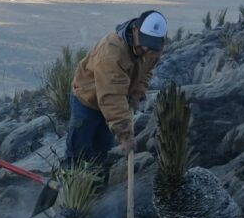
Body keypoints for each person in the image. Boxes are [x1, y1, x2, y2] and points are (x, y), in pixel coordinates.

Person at [65, 10, 167, 178]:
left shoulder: (153, 47)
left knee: (102, 148)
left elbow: (146, 72)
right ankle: (69, 190)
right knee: (79, 149)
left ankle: (94, 186)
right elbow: (111, 96)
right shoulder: (112, 52)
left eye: (152, 45)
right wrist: (126, 136)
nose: (146, 48)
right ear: (135, 29)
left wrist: (135, 95)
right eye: (144, 42)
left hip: (116, 100)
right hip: (87, 99)